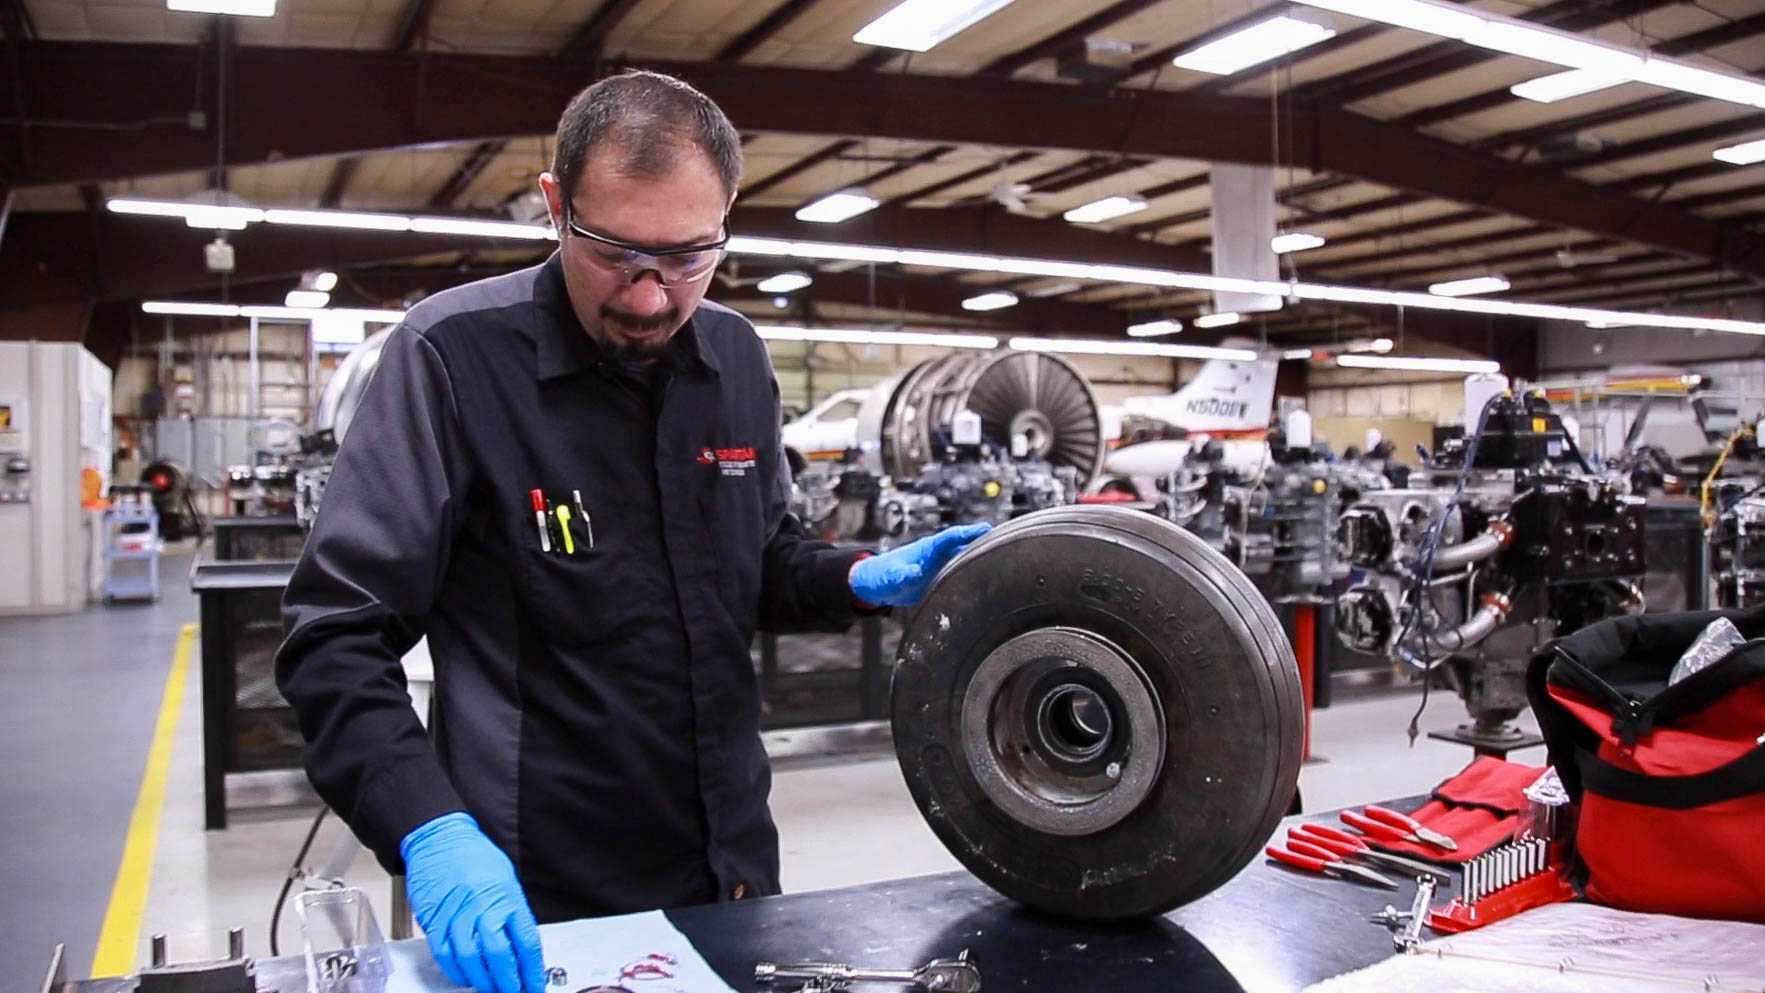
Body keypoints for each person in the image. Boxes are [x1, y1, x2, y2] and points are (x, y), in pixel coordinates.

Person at [275, 70, 990, 993]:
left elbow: (758, 560)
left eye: (690, 257)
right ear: (553, 206)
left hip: (727, 870)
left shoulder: (734, 358)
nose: (652, 298)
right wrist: (427, 825)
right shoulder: (450, 359)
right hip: (532, 899)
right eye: (617, 253)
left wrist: (852, 576)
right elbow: (334, 635)